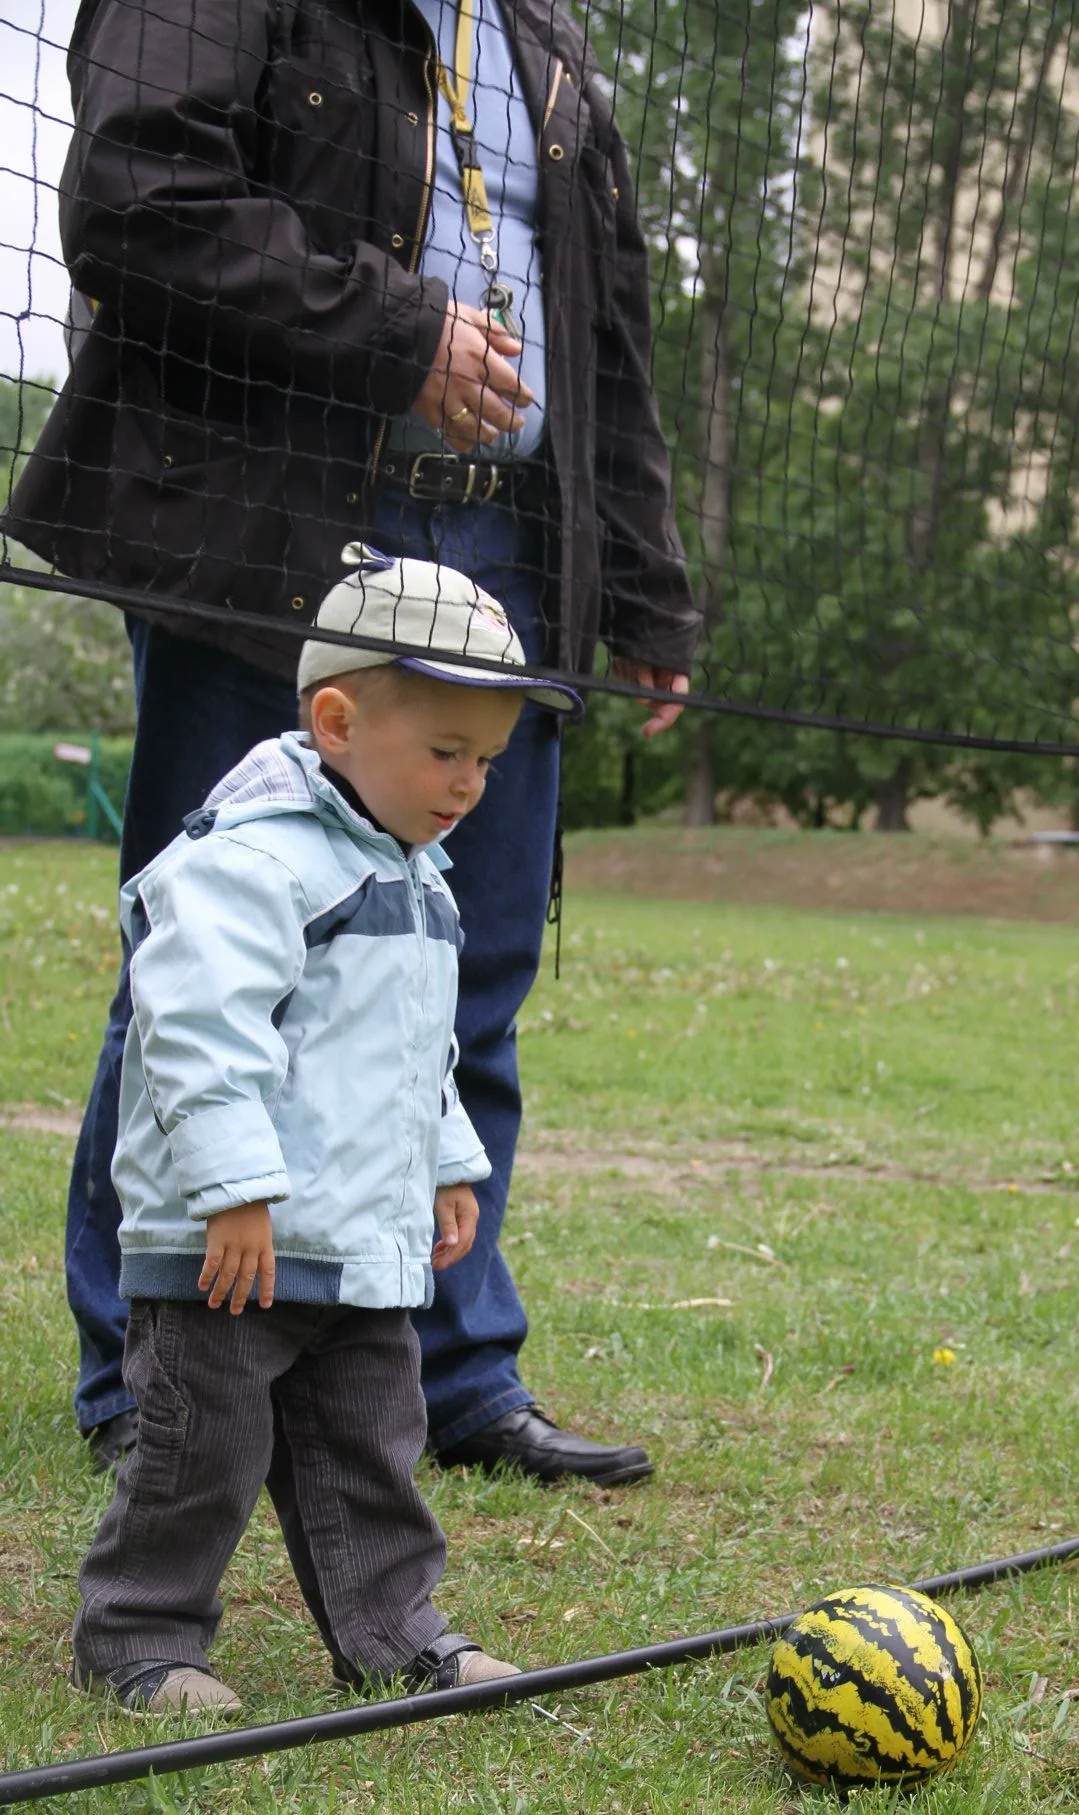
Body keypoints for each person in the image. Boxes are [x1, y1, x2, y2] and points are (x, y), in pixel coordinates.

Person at [2, 0, 700, 1480]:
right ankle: (157, 1383)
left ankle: (445, 1380)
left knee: (465, 974)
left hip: (503, 546)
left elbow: (605, 327)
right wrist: (400, 335)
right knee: (212, 953)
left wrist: (640, 575)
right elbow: (136, 194)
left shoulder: (545, 41)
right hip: (277, 533)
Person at [73, 549, 572, 1715]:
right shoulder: (247, 861)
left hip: (356, 1239)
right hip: (228, 1246)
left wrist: (448, 1163)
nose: (469, 784)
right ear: (337, 720)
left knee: (370, 1449)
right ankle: (139, 1634)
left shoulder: (416, 873)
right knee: (198, 1451)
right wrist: (233, 1188)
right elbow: (196, 1032)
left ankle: (396, 1633)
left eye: (487, 760)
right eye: (445, 751)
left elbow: (414, 1046)